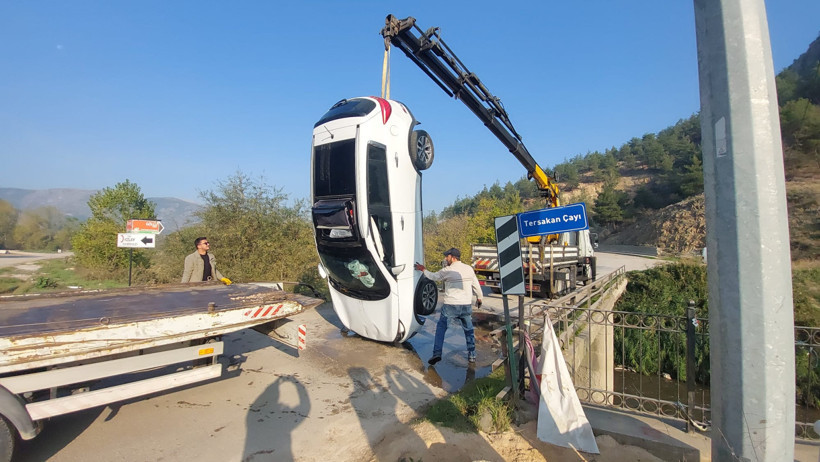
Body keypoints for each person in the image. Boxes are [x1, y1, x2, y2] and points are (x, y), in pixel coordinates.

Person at [414, 247, 483, 365]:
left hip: (451, 305)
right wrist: (479, 297)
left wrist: (423, 269)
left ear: (453, 257)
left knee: (441, 328)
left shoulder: (447, 270)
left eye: (447, 256)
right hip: (466, 305)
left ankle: (437, 353)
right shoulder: (469, 269)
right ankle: (472, 355)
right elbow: (475, 284)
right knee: (469, 330)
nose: (446, 258)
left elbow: (433, 277)